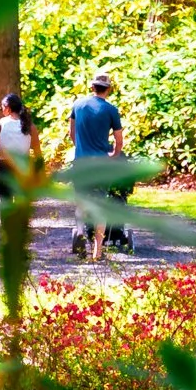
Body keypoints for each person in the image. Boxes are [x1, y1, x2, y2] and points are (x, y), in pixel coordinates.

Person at [67, 72, 127, 259]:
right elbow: (119, 140)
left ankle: (79, 232)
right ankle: (97, 251)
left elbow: (71, 133)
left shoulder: (77, 105)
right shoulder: (111, 110)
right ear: (108, 89)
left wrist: (81, 148)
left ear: (92, 87)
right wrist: (114, 155)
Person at [0, 93, 42, 201]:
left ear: (8, 108)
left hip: (4, 170)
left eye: (2, 108)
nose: (1, 110)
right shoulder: (30, 126)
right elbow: (38, 154)